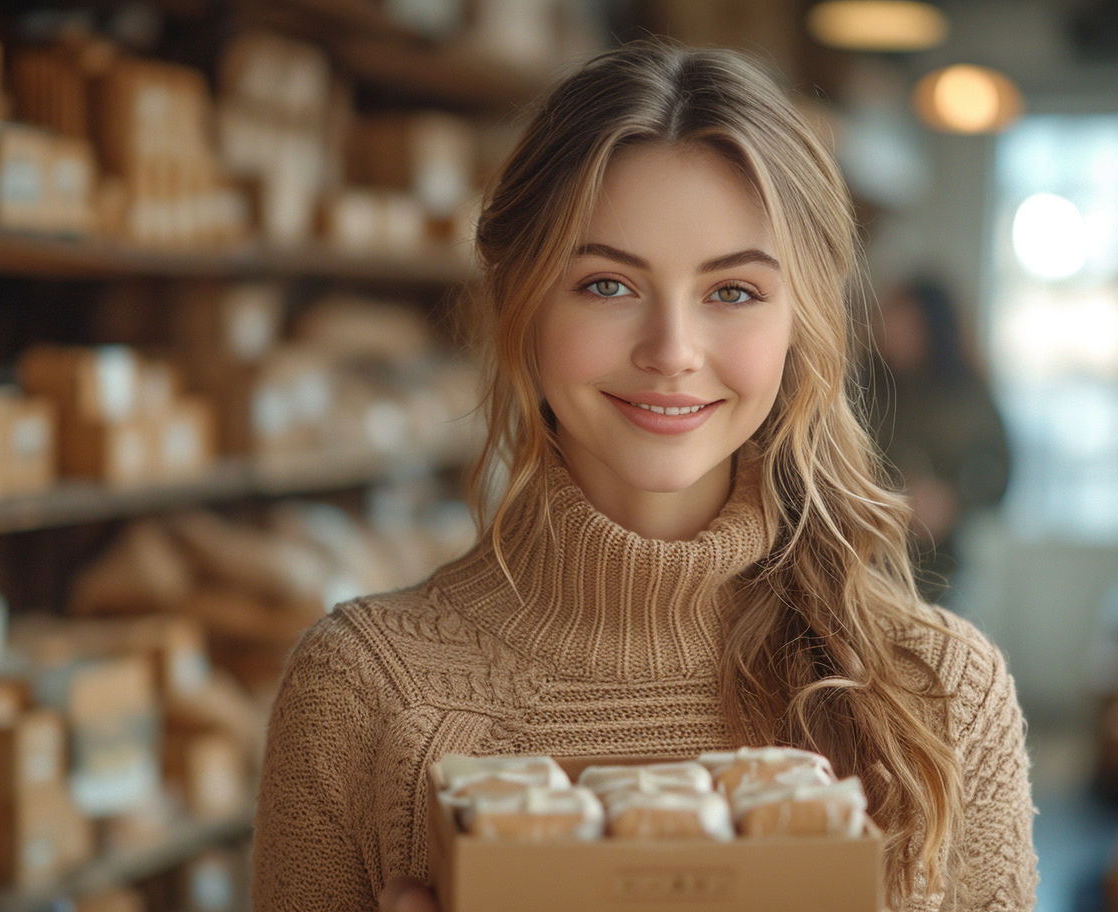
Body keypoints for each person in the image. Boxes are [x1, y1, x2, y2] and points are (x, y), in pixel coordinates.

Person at [252, 40, 1037, 912]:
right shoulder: (362, 695)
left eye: (732, 292)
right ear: (521, 303)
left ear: (801, 325)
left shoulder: (942, 698)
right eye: (606, 285)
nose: (671, 352)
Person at [866, 278, 1011, 603]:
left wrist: (951, 500)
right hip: (866, 564)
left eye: (907, 322)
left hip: (940, 572)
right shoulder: (862, 386)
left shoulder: (967, 396)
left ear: (933, 326)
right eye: (890, 317)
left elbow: (999, 475)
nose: (891, 329)